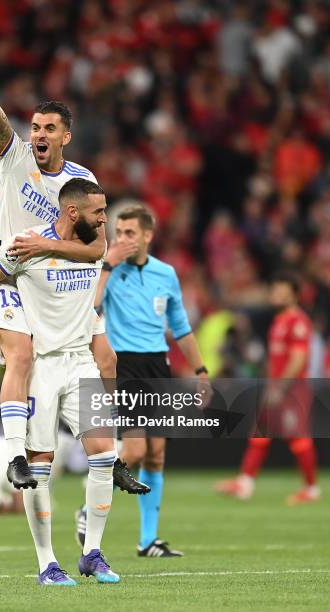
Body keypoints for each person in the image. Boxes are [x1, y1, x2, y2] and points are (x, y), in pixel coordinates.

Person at [0, 28, 119, 490]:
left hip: (57, 284)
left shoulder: (81, 180)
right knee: (22, 356)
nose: (39, 134)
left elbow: (97, 248)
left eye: (49, 128)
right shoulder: (13, 158)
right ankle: (16, 455)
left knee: (106, 357)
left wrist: (49, 248)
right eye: (35, 127)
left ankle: (112, 449)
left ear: (66, 136)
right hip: (10, 278)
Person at [0, 178, 120, 586]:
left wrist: (47, 246)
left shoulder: (92, 243)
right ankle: (46, 564)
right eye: (98, 212)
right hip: (43, 365)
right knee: (40, 466)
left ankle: (92, 553)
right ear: (73, 212)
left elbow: (91, 250)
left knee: (105, 454)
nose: (104, 218)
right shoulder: (25, 245)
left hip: (80, 361)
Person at [76, 204, 210, 558]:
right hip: (125, 367)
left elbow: (180, 327)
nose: (122, 239)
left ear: (148, 235)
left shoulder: (166, 274)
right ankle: (88, 510)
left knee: (156, 456)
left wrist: (200, 371)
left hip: (158, 367)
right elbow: (90, 306)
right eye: (118, 233)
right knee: (134, 450)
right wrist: (107, 264)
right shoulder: (107, 269)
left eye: (130, 233)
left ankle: (148, 540)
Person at [214, 272, 320, 505]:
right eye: (275, 290)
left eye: (282, 291)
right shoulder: (280, 320)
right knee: (260, 435)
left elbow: (298, 358)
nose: (276, 295)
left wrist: (281, 388)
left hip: (293, 390)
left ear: (294, 295)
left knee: (298, 438)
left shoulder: (297, 321)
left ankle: (311, 489)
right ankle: (245, 483)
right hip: (277, 387)